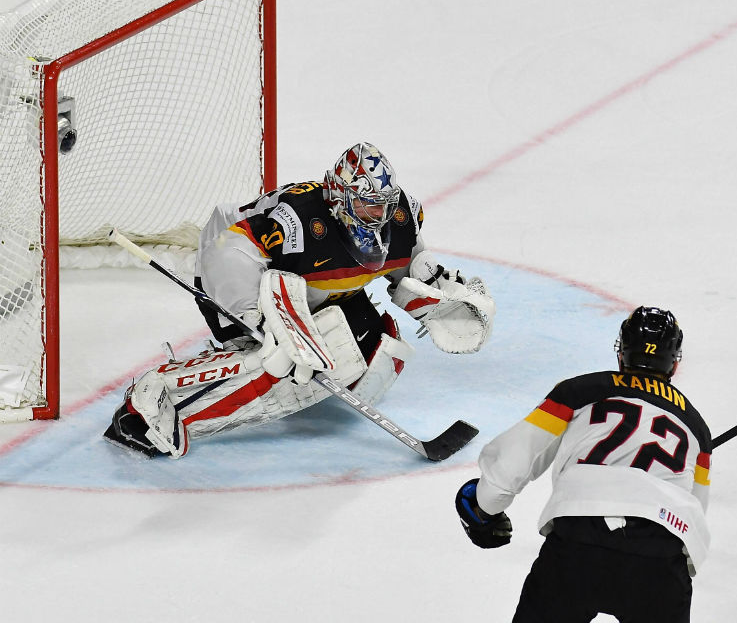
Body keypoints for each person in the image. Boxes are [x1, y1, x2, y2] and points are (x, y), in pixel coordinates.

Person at [102, 142, 495, 458]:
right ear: (340, 197)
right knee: (275, 362)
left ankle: (293, 373)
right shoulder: (299, 220)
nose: (378, 214)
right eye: (367, 203)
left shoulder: (398, 219)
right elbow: (228, 253)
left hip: (313, 296)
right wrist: (261, 321)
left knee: (378, 352)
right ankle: (147, 405)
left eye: (384, 204)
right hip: (237, 279)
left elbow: (408, 271)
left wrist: (441, 296)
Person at [455, 307, 712, 623]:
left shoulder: (579, 391)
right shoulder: (697, 428)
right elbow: (696, 507)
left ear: (622, 353)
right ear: (674, 362)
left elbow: (514, 459)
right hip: (661, 553)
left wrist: (484, 508)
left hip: (580, 539)